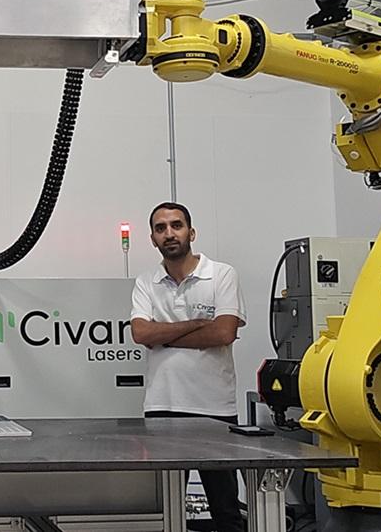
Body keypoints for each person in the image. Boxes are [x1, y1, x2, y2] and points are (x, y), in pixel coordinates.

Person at [130, 202, 247, 532]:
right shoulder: (146, 282)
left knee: (225, 511)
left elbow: (224, 332)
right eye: (161, 228)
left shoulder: (221, 274)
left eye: (176, 225)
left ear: (191, 232)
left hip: (214, 409)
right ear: (153, 238)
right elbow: (141, 333)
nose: (169, 233)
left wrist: (163, 335)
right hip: (162, 409)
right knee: (165, 512)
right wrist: (197, 324)